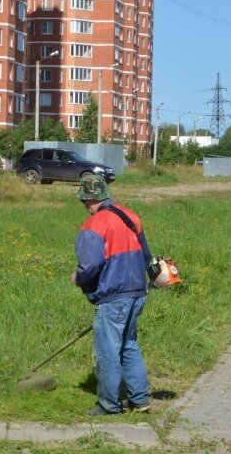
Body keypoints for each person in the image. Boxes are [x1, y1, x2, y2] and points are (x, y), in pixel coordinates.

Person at [72, 175, 152, 415]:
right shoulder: (131, 216)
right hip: (138, 291)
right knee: (129, 346)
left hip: (113, 295)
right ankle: (139, 400)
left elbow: (90, 266)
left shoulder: (94, 224)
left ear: (87, 199)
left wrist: (79, 279)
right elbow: (146, 256)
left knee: (107, 352)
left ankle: (108, 405)